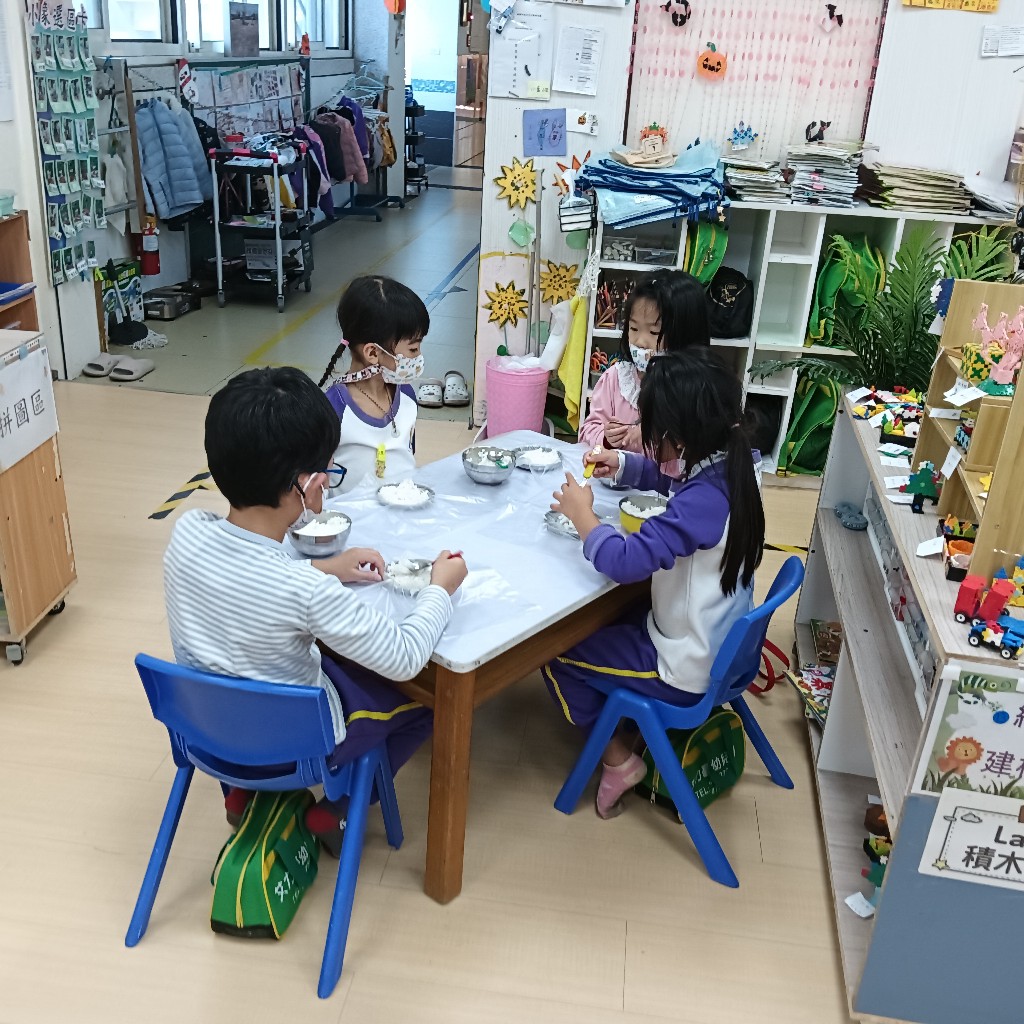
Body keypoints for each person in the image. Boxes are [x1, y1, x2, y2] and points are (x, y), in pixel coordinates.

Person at [163, 367, 467, 852]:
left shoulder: (187, 533)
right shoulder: (304, 591)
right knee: (430, 699)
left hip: (205, 727)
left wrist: (327, 566)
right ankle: (339, 808)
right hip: (292, 745)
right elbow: (406, 655)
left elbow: (251, 577)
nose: (328, 484)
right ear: (302, 485)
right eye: (328, 474)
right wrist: (440, 589)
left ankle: (242, 792)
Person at [546, 348, 764, 819]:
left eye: (651, 427)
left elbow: (623, 562)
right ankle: (625, 722)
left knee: (555, 651)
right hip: (723, 645)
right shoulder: (734, 463)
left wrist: (584, 518)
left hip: (686, 665)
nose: (644, 433)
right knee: (613, 616)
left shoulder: (705, 499)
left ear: (679, 436)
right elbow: (678, 484)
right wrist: (626, 465)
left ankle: (618, 759)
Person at [579, 270, 710, 455]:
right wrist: (606, 438)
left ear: (687, 336)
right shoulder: (616, 378)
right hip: (618, 472)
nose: (640, 341)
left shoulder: (695, 389)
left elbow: (702, 447)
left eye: (654, 332)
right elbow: (588, 430)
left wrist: (657, 432)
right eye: (633, 328)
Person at [318, 276, 429, 493]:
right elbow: (317, 482)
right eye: (413, 349)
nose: (419, 357)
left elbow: (407, 454)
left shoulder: (406, 395)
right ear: (372, 353)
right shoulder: (333, 408)